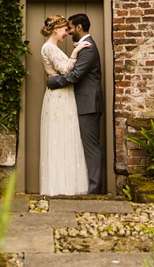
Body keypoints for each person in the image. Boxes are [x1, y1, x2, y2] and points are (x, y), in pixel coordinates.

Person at [46, 12, 105, 194]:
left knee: (91, 148)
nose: (69, 31)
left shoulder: (88, 48)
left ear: (79, 27)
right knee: (87, 146)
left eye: (70, 27)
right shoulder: (84, 46)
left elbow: (76, 75)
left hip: (88, 105)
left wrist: (53, 82)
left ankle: (95, 190)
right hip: (83, 104)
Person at [39, 15, 90, 195]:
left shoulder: (52, 47)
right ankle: (60, 187)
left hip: (63, 95)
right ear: (56, 30)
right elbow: (66, 69)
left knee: (66, 137)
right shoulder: (49, 47)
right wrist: (76, 52)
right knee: (60, 138)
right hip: (59, 97)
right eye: (65, 30)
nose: (67, 33)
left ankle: (69, 186)